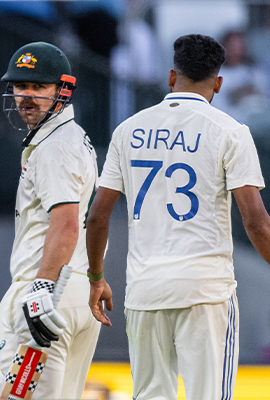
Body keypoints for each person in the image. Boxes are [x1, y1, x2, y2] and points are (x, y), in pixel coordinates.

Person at [86, 34, 270, 400]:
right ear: (218, 83)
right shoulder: (231, 132)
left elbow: (97, 216)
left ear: (172, 77)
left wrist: (95, 277)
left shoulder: (128, 131)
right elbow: (255, 221)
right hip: (205, 290)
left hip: (145, 290)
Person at [0, 41, 101, 399]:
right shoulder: (73, 137)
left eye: (38, 87)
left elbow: (68, 223)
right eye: (20, 86)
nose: (25, 96)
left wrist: (41, 288)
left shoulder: (55, 146)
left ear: (63, 90)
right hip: (73, 290)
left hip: (45, 296)